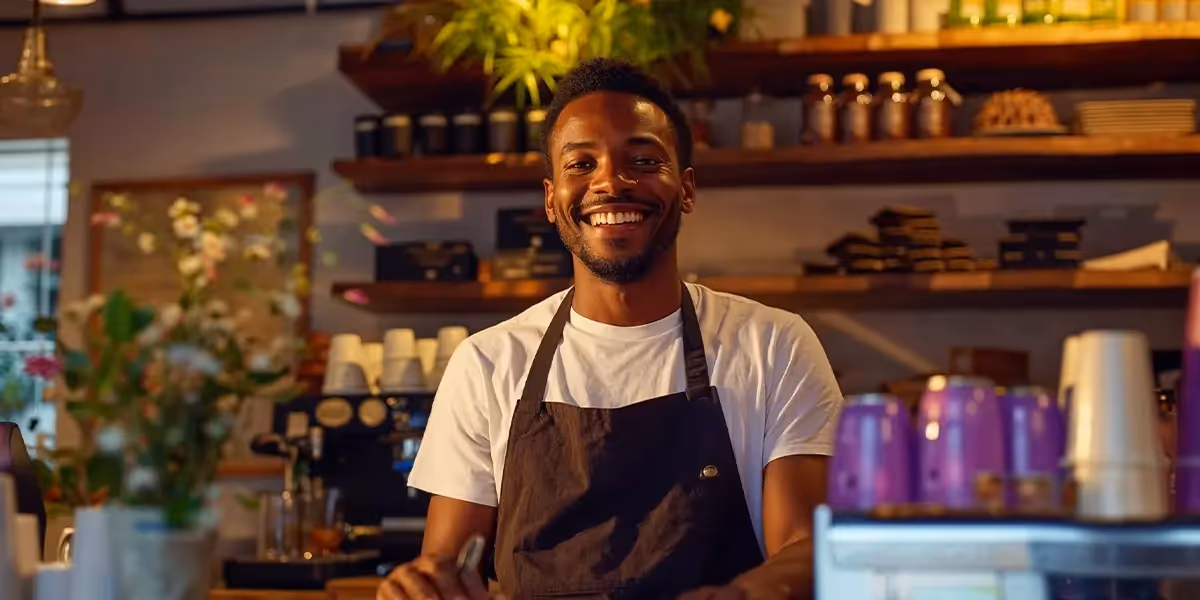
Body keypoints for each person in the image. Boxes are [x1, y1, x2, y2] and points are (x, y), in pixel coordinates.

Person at [378, 58, 843, 600]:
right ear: (551, 201)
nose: (611, 182)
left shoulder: (773, 345)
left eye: (643, 159)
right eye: (581, 164)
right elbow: (450, 566)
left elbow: (806, 546)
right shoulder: (488, 363)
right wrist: (422, 586)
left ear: (686, 189)